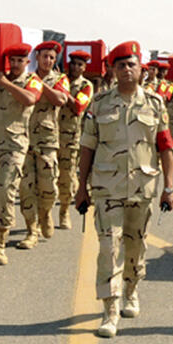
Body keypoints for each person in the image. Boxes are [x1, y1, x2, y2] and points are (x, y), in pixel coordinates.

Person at [75, 41, 173, 338]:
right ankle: (109, 309)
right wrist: (81, 187)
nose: (126, 70)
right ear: (113, 70)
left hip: (142, 188)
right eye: (121, 65)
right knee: (109, 247)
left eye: (131, 64)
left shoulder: (156, 104)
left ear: (141, 69)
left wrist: (169, 187)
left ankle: (131, 291)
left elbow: (166, 147)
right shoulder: (99, 103)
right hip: (107, 187)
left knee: (136, 246)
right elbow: (87, 147)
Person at [0, 43, 42, 265]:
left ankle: (0, 244)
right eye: (11, 60)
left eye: (19, 61)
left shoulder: (32, 81)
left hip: (14, 145)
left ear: (27, 62)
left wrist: (4, 82)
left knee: (6, 192)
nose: (14, 65)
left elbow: (30, 99)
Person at [17, 41, 69, 250]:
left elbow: (60, 100)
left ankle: (46, 213)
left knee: (48, 187)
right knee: (26, 188)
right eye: (44, 56)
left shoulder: (60, 79)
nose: (48, 60)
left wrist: (40, 82)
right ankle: (31, 230)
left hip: (47, 141)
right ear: (36, 57)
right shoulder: (24, 78)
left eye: (51, 57)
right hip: (24, 138)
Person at [57, 51, 95, 229]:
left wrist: (64, 92)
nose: (75, 67)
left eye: (80, 64)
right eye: (73, 63)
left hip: (70, 137)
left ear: (84, 68)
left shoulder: (86, 85)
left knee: (66, 175)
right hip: (49, 134)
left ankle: (64, 211)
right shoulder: (59, 79)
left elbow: (78, 107)